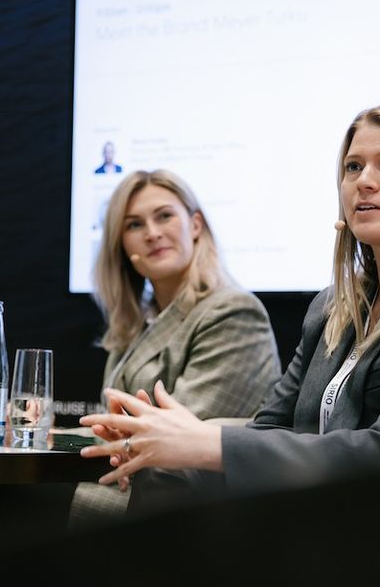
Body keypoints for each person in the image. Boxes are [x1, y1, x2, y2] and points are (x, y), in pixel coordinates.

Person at [80, 100, 380, 501]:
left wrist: (206, 443)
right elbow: (272, 432)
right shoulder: (335, 307)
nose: (364, 181)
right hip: (317, 528)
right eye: (353, 167)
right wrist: (170, 443)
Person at [71, 169, 280, 522]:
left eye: (165, 216)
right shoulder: (137, 322)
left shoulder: (232, 312)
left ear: (195, 226)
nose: (152, 234)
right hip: (132, 488)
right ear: (121, 245)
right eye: (134, 225)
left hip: (193, 511)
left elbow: (178, 437)